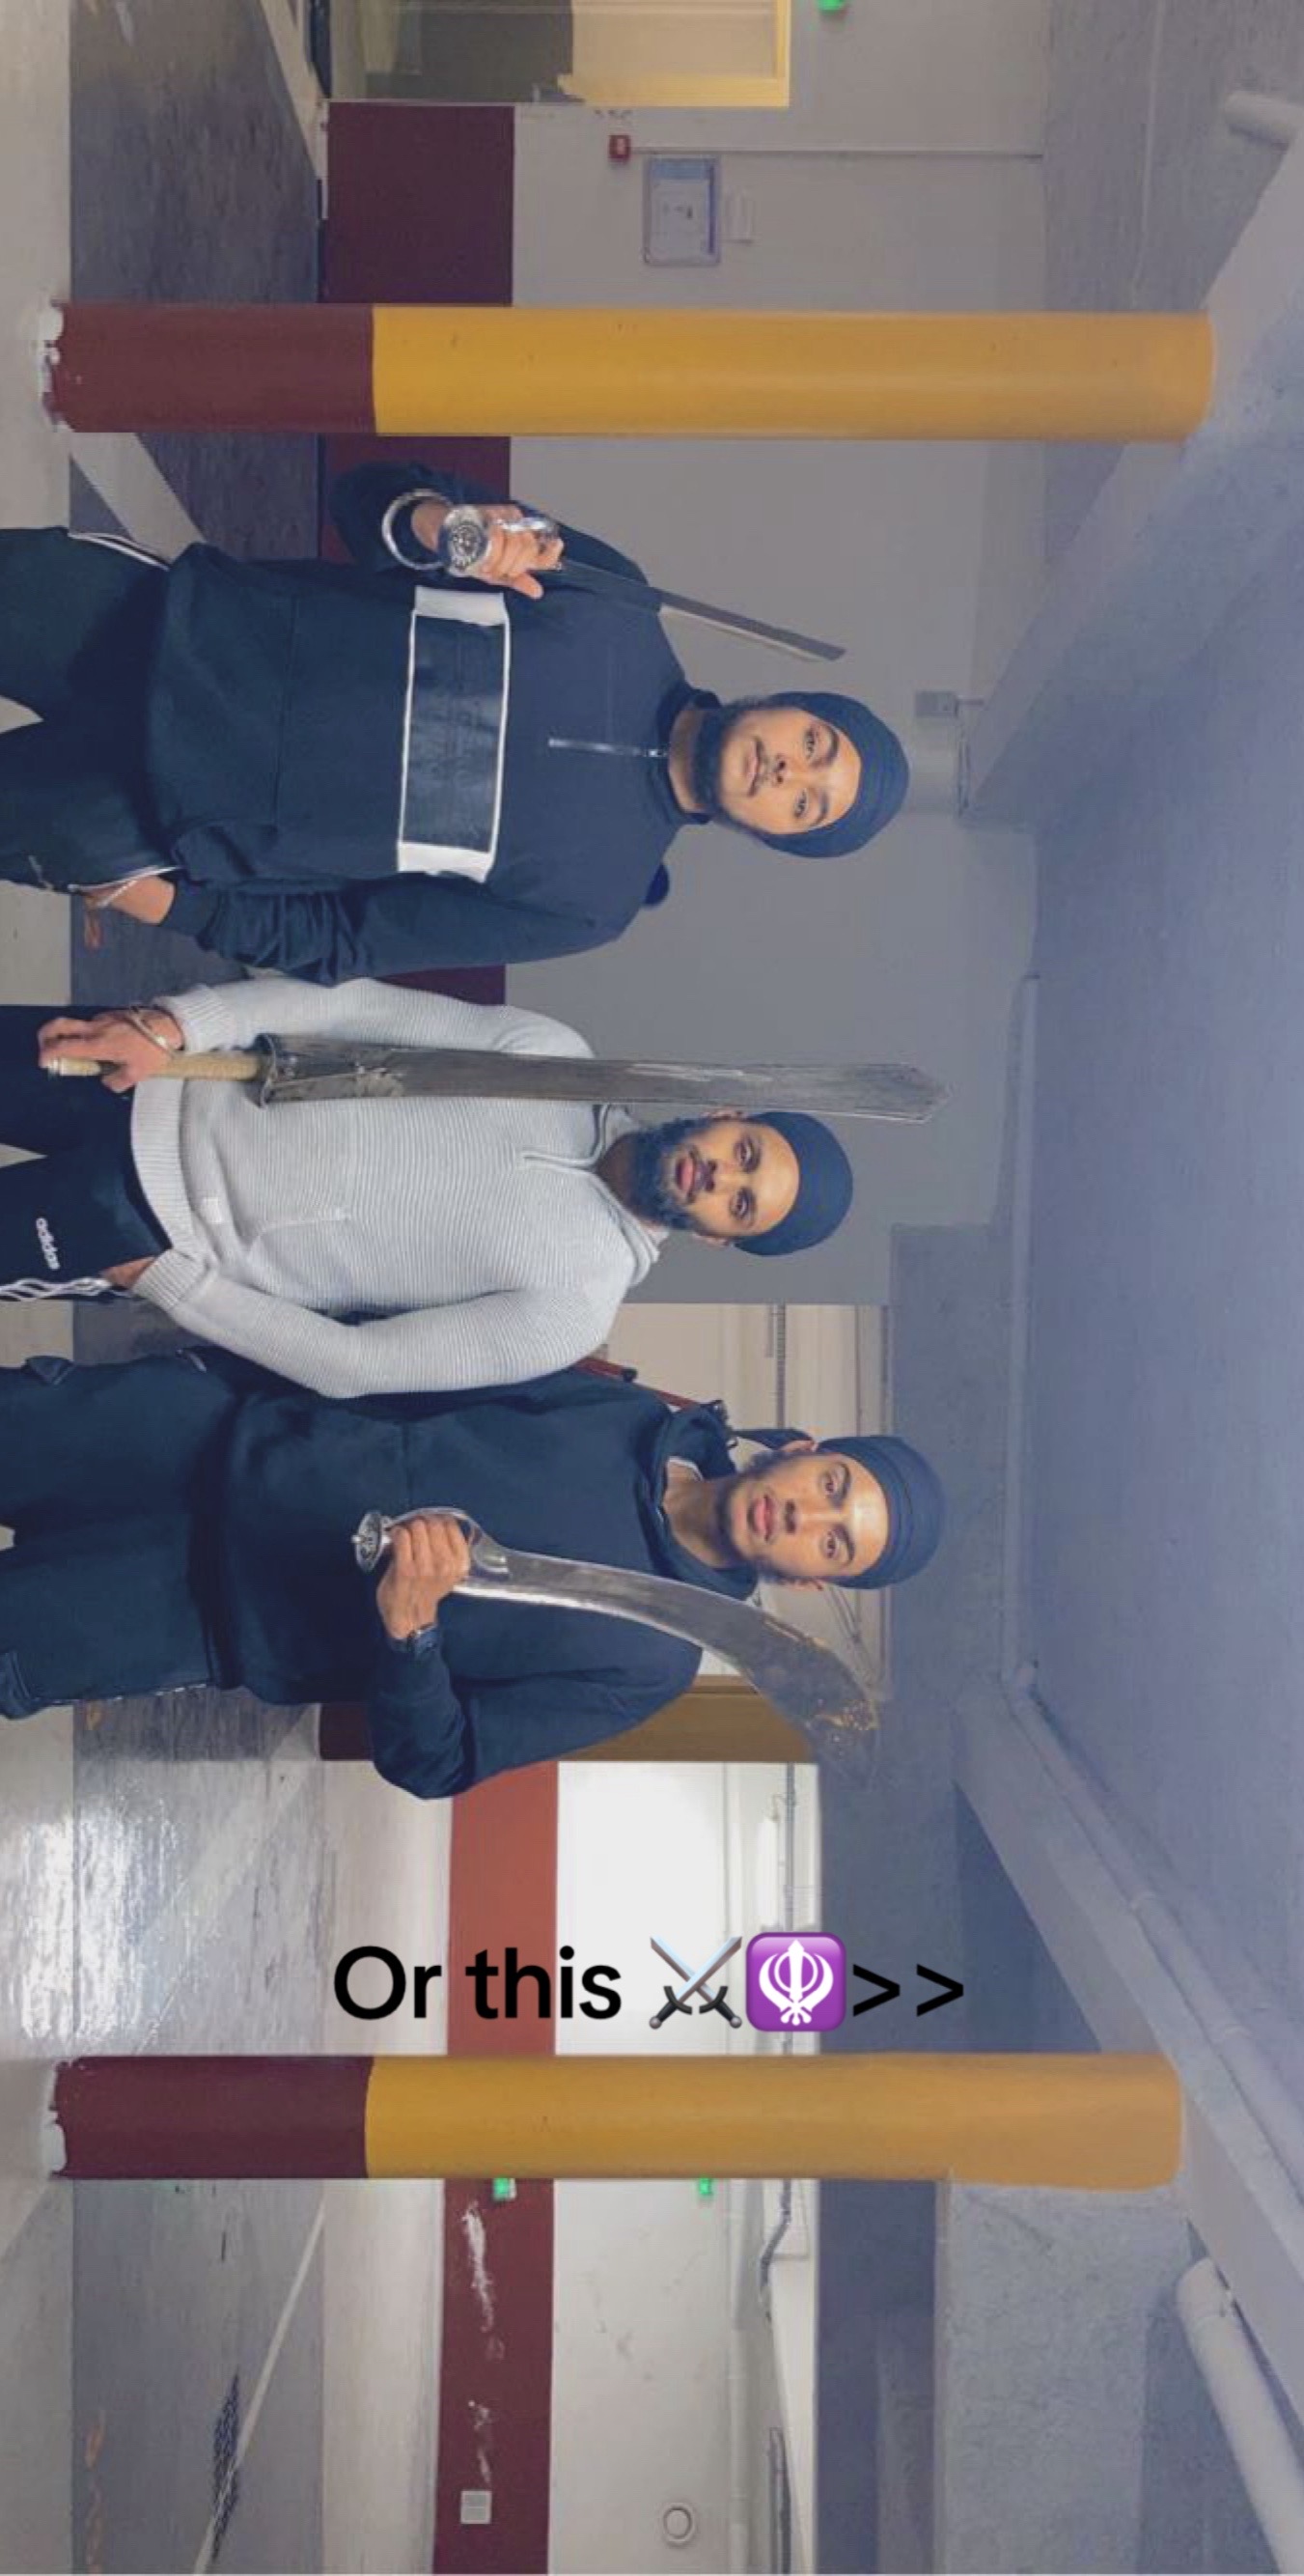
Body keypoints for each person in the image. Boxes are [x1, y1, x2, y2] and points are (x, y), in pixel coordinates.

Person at [0, 465, 909, 981]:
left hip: (148, 820)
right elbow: (374, 501)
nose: (788, 773)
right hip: (154, 622)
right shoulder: (615, 603)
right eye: (814, 746)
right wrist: (447, 526)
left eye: (807, 805)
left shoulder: (591, 903)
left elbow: (348, 939)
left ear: (774, 836)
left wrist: (157, 899)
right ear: (790, 706)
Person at [0, 1350, 944, 1797]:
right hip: (189, 1438)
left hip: (191, 1613)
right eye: (832, 1488)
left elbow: (436, 1761)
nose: (807, 1517)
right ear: (807, 1451)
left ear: (813, 1582)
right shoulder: (622, 1414)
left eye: (834, 1544)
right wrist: (214, 1372)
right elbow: (402, 1370)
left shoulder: (647, 1666)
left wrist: (410, 1634)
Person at [0, 977, 853, 1396]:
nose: (721, 1176)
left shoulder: (572, 1309)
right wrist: (177, 1024)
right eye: (745, 1151)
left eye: (741, 1203)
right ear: (727, 1115)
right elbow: (347, 1006)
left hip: (143, 1230)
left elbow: (356, 1365)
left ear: (718, 1237)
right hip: (153, 1072)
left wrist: (168, 1280)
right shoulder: (553, 1057)